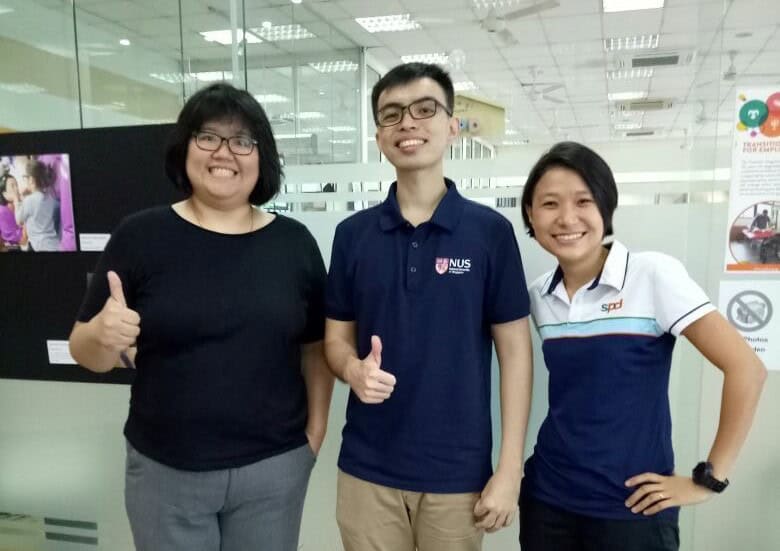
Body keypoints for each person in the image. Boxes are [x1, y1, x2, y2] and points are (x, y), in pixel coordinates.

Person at [68, 82, 334, 551]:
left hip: (273, 470)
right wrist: (102, 336)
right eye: (207, 136)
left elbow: (315, 347)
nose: (224, 153)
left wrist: (315, 434)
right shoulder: (140, 235)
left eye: (242, 141)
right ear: (185, 147)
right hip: (166, 473)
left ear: (261, 157)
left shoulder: (295, 244)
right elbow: (84, 351)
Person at [324, 62, 534, 551]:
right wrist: (352, 370)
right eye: (391, 115)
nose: (408, 124)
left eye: (424, 110)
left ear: (451, 127)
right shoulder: (352, 236)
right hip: (367, 470)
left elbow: (516, 354)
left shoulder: (489, 233)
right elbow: (335, 341)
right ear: (379, 136)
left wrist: (509, 468)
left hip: (457, 475)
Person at [518, 141, 767, 551]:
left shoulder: (652, 275)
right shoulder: (539, 296)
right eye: (548, 204)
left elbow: (746, 369)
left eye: (583, 201)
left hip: (633, 509)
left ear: (605, 207)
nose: (566, 218)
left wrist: (710, 478)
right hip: (549, 500)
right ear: (530, 213)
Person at [13, 159, 60, 251]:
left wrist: (16, 200)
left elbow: (19, 220)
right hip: (54, 244)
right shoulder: (51, 198)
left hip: (40, 246)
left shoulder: (29, 200)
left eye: (25, 177)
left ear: (31, 180)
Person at [0, 174, 23, 248]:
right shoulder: (2, 211)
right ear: (4, 193)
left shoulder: (16, 202)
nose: (16, 188)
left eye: (16, 184)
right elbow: (17, 239)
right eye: (12, 186)